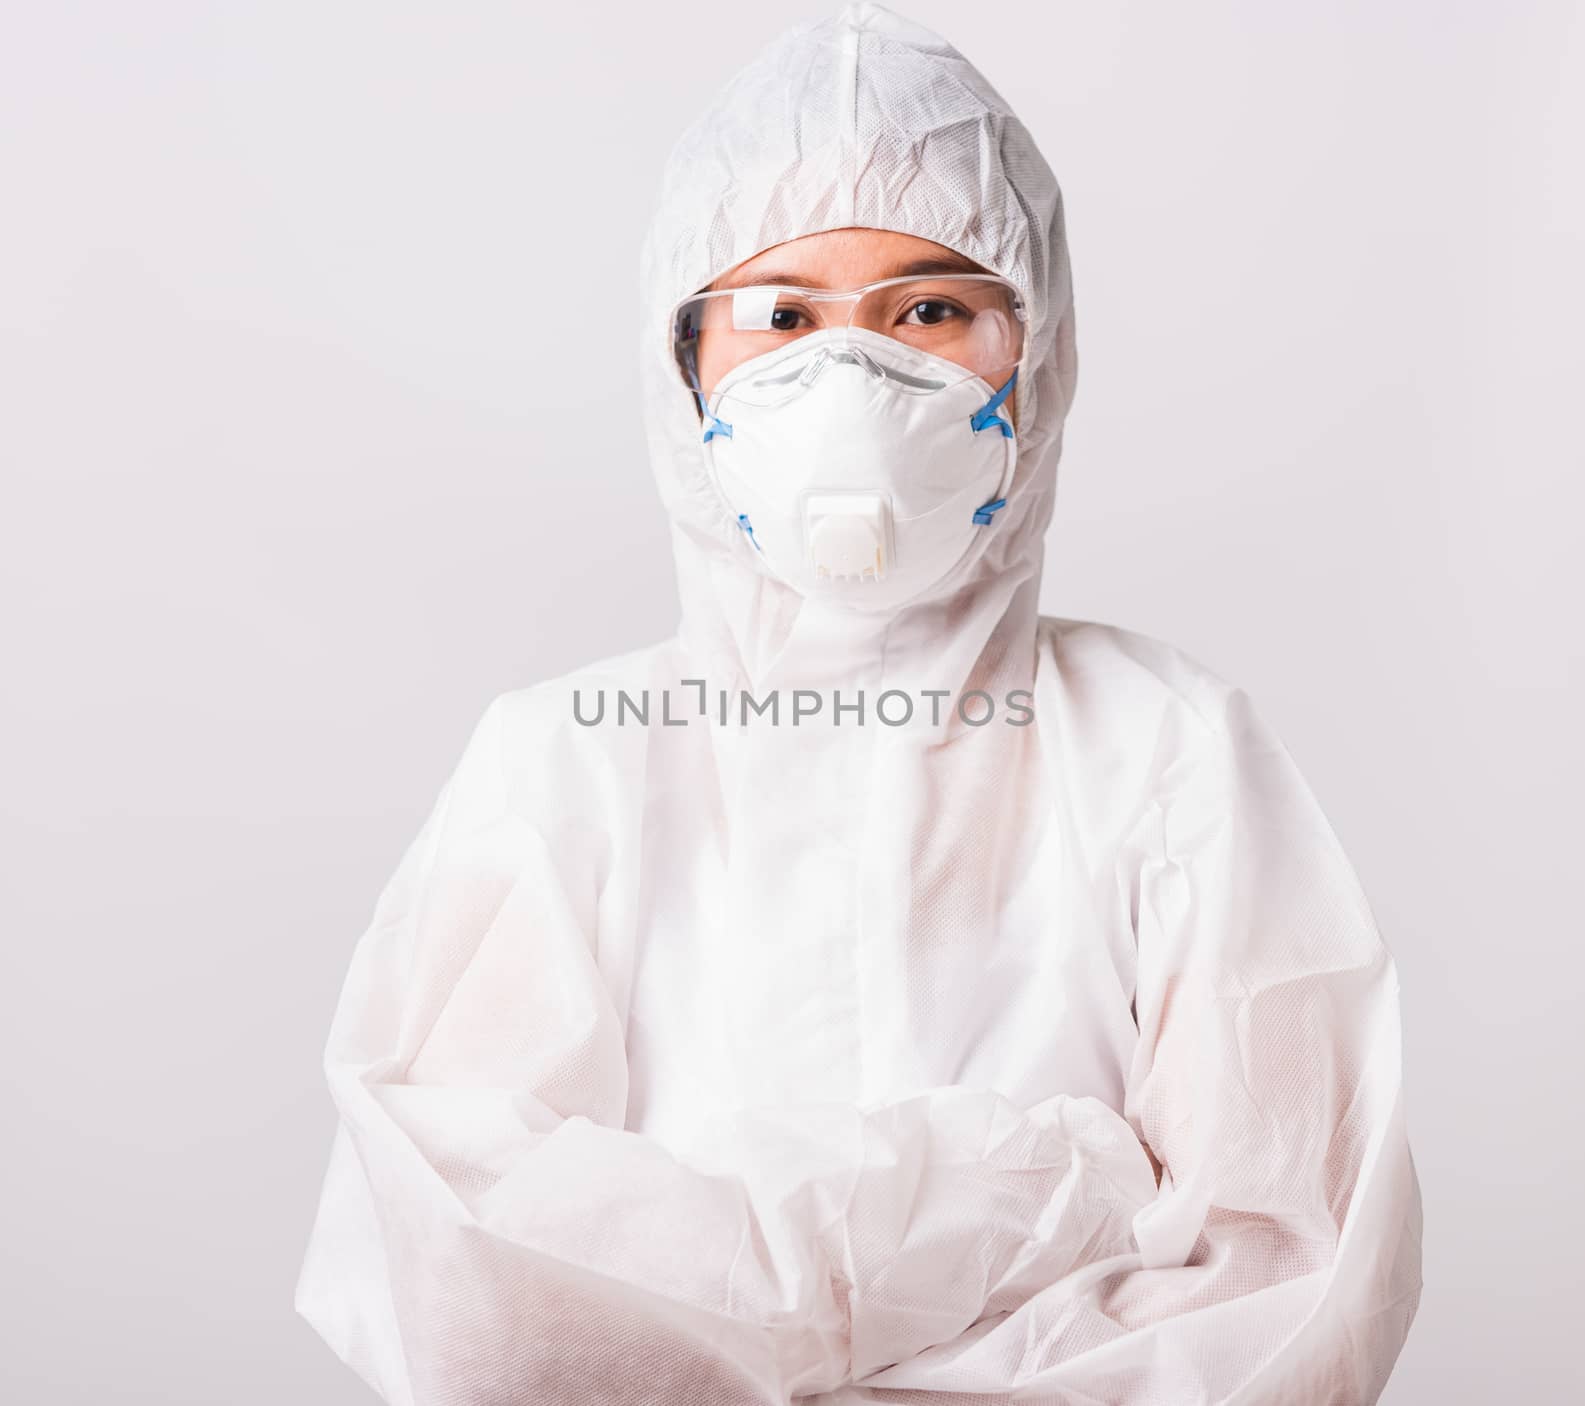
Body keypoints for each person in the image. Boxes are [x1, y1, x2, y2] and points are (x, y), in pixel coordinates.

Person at [294, 3, 1424, 1402]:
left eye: (931, 309)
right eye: (779, 317)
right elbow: (479, 1301)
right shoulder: (560, 771)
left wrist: (704, 1280)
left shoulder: (1173, 753)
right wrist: (1056, 1179)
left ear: (1040, 350)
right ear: (683, 363)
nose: (845, 378)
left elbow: (1284, 1304)